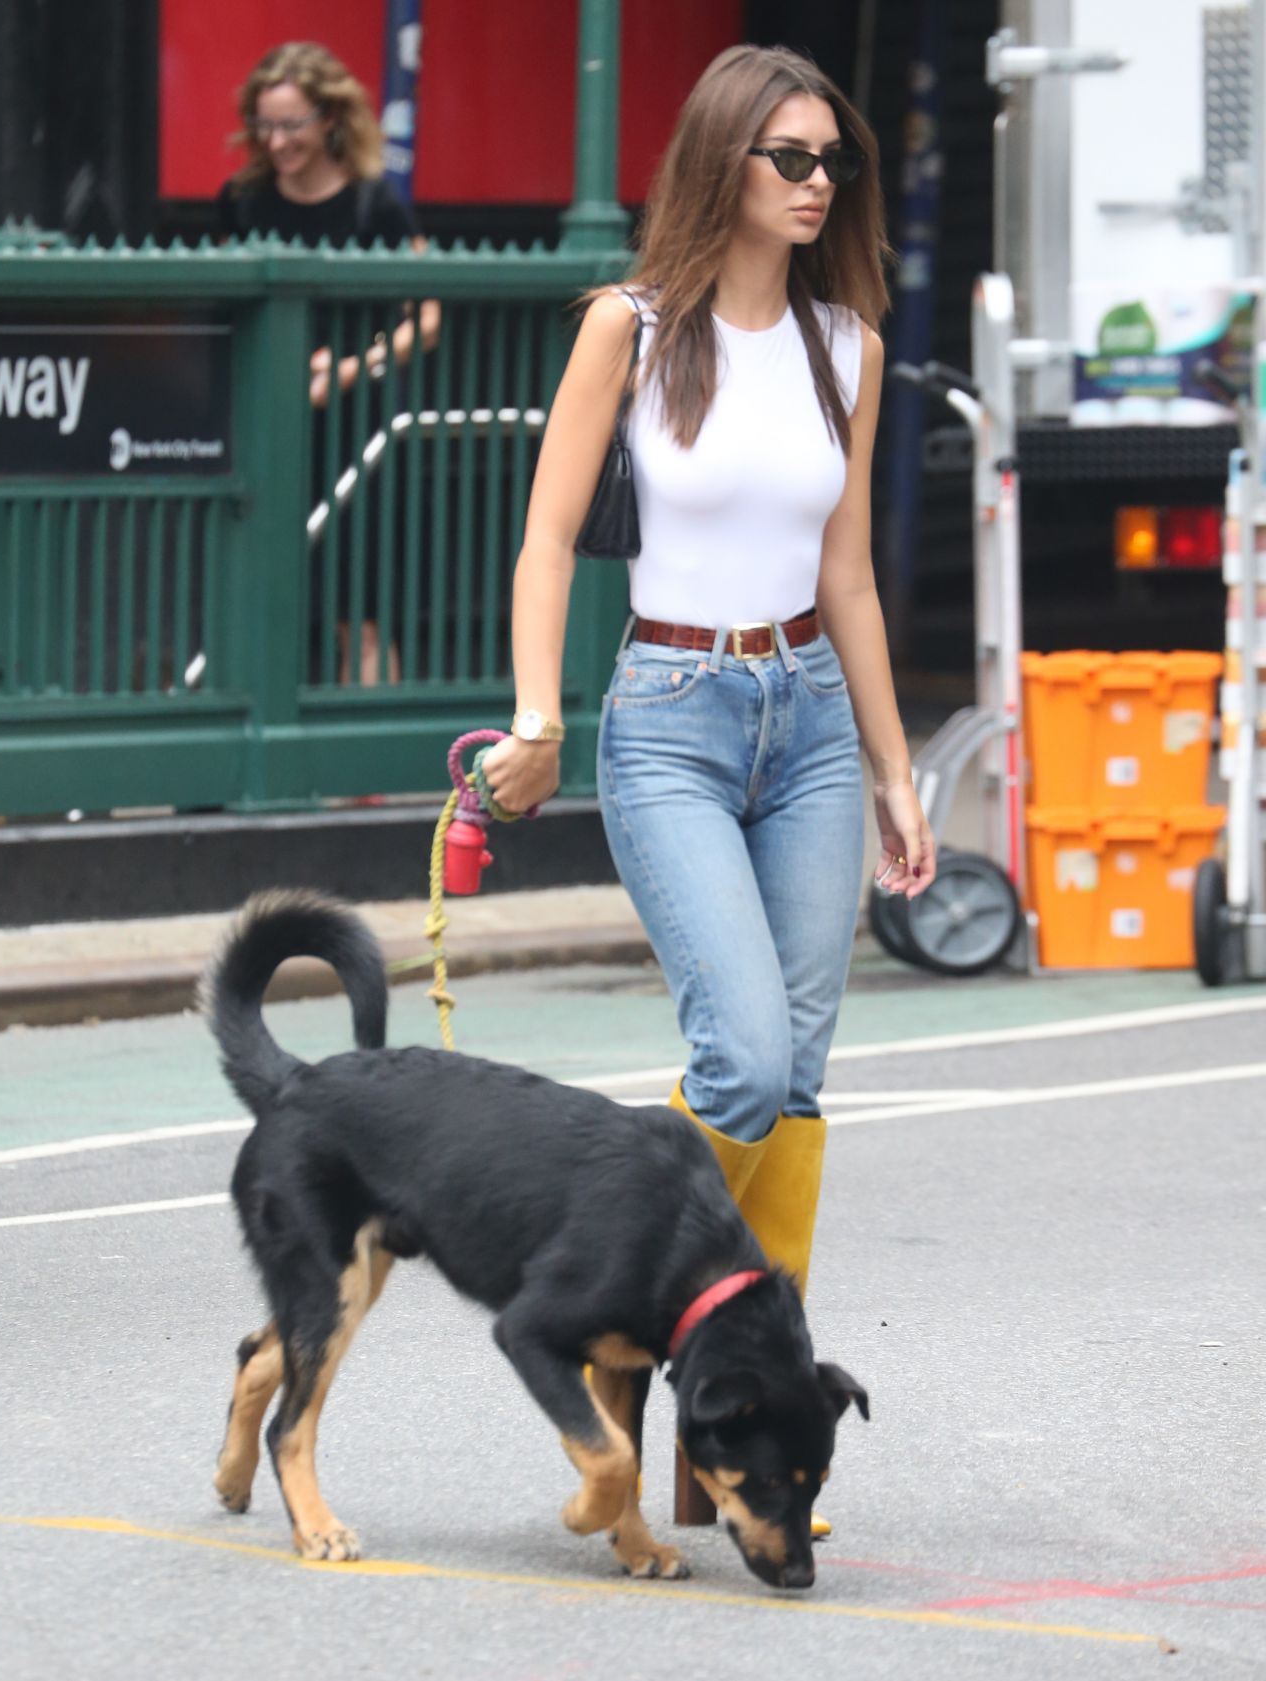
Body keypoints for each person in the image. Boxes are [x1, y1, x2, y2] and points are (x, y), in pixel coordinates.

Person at [484, 40, 936, 1517]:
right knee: (740, 1050)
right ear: (723, 161)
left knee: (795, 1075)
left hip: (808, 710)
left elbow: (851, 576)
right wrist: (537, 713)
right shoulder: (634, 324)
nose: (818, 185)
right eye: (791, 159)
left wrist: (893, 766)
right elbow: (549, 536)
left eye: (834, 164)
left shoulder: (850, 345)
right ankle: (621, 1317)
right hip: (670, 710)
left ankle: (738, 1408)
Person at [217, 41, 441, 685]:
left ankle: (367, 773)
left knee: (359, 604)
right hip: (263, 420)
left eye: (292, 123)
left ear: (329, 120)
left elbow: (426, 320)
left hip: (355, 425)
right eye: (266, 123)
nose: (277, 139)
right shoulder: (241, 199)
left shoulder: (375, 205)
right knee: (261, 589)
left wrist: (351, 368)